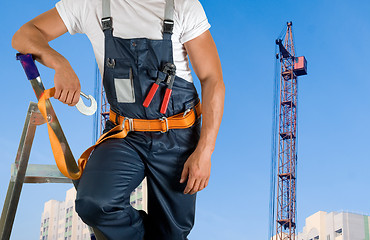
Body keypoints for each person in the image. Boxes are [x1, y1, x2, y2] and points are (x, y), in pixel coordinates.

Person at [12, 0, 224, 239]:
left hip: (178, 137)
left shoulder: (183, 5)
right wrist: (60, 64)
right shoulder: (90, 4)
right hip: (124, 134)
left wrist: (204, 152)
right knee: (95, 203)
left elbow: (212, 79)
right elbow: (24, 34)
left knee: (172, 233)